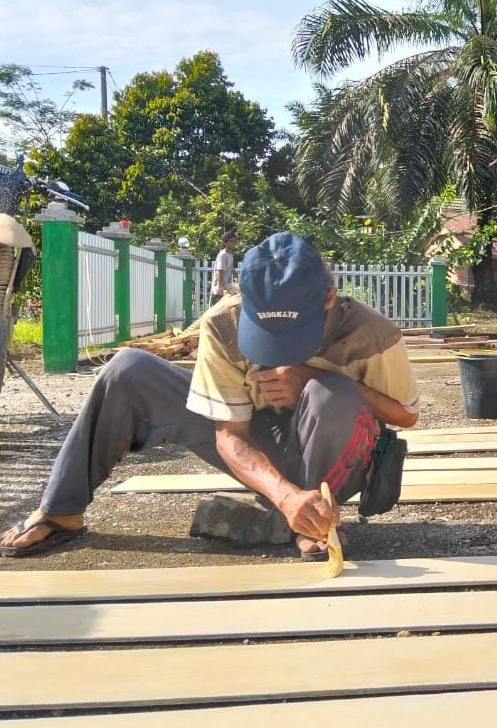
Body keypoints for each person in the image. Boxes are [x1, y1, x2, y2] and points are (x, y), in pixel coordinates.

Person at [0, 232, 422, 559]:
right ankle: (61, 511)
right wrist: (284, 495)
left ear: (328, 297)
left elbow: (405, 416)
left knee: (332, 395)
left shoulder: (374, 333)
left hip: (335, 461)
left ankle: (314, 522)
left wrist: (311, 376)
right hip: (258, 446)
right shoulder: (224, 324)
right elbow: (229, 433)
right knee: (127, 369)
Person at [211, 230, 238, 306]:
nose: (234, 243)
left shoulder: (230, 254)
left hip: (227, 288)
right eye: (231, 241)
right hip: (219, 290)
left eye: (234, 241)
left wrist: (237, 277)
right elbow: (220, 271)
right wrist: (221, 289)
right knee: (217, 313)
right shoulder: (223, 255)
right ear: (224, 243)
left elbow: (231, 267)